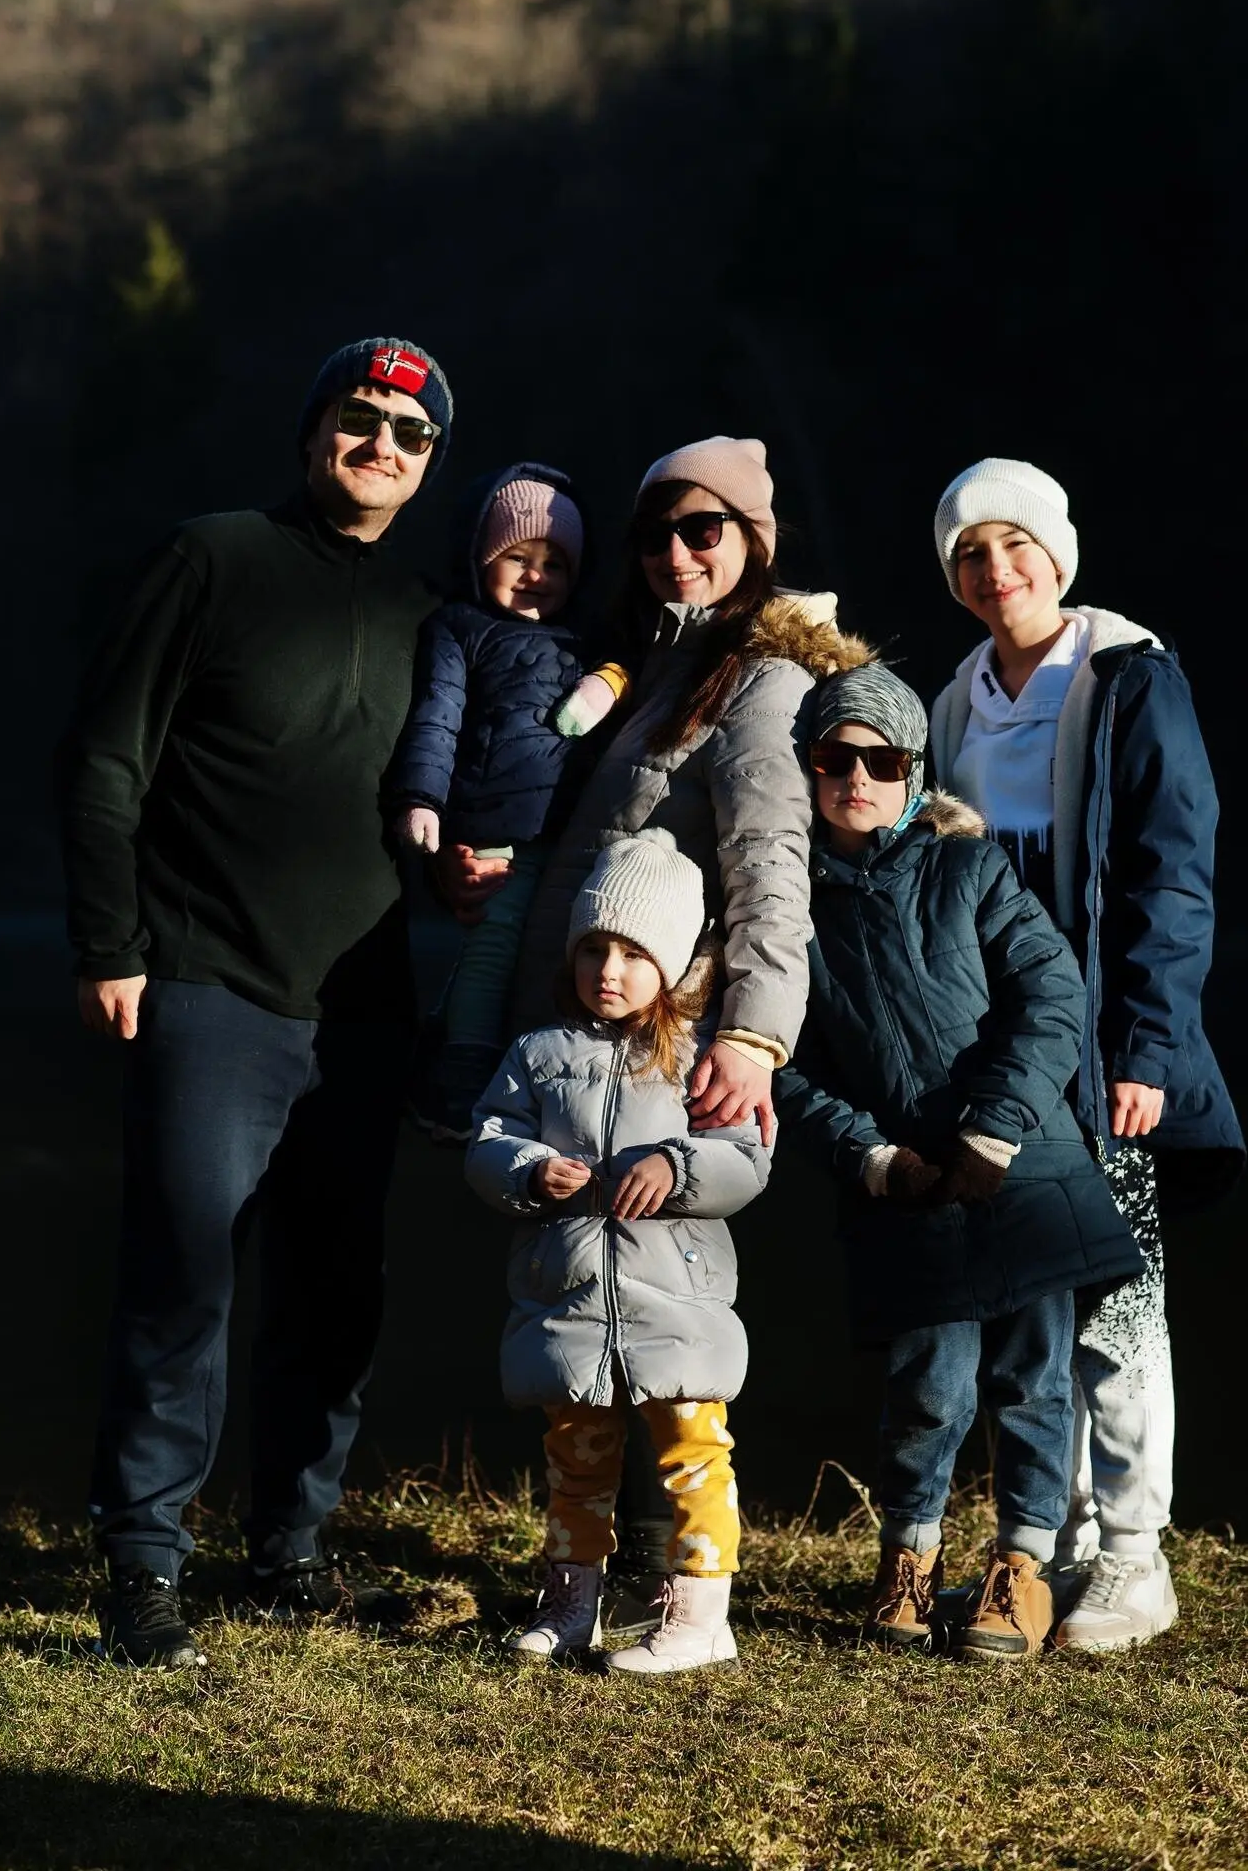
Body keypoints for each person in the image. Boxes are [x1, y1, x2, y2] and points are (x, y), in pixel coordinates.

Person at [57, 335, 452, 1668]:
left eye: (410, 434)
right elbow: (104, 757)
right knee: (182, 1274)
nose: (381, 445)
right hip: (206, 976)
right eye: (359, 418)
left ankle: (289, 1553)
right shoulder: (211, 558)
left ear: (428, 465)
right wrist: (109, 943)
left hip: (365, 1005)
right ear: (312, 429)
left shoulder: (428, 610)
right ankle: (142, 1564)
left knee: (337, 1288)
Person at [492, 434, 870, 1611]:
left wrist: (752, 1035)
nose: (675, 551)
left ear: (753, 540)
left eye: (702, 529)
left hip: (674, 1039)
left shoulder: (762, 680)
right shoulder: (656, 661)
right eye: (656, 530)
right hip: (589, 1029)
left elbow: (768, 864)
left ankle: (680, 1587)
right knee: (589, 1290)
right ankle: (598, 1577)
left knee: (666, 1301)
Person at [929, 457, 1244, 1652]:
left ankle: (1131, 1556)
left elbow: (1173, 870)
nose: (994, 570)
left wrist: (1146, 1048)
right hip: (1004, 1054)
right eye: (968, 553)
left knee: (1119, 1302)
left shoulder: (1126, 677)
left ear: (1055, 555)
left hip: (1104, 1049)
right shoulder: (954, 703)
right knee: (1029, 1307)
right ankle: (1048, 1544)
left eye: (1013, 544)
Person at [776, 666, 1144, 1661]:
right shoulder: (785, 905)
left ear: (912, 770)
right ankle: (907, 1560)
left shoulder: (968, 868)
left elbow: (1051, 994)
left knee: (1032, 1381)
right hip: (904, 1186)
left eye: (881, 759)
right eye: (834, 757)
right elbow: (782, 1066)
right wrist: (870, 1156)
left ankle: (1020, 1569)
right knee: (927, 1386)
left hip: (1022, 1168)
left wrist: (992, 1130)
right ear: (807, 766)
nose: (856, 777)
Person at [465, 830, 771, 1673]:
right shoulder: (537, 1055)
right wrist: (529, 1169)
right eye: (593, 948)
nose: (608, 970)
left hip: (676, 1304)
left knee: (692, 1453)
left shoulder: (703, 1055)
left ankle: (701, 1616)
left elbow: (745, 1157)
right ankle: (571, 1608)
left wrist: (675, 1165)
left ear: (670, 964)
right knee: (575, 1460)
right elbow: (488, 1141)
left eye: (634, 954)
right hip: (569, 1303)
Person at [386, 464, 626, 1141]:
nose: (536, 575)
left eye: (555, 562)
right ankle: (462, 1067)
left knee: (542, 954)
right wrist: (422, 800)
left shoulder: (586, 638)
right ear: (482, 558)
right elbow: (437, 718)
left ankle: (502, 1076)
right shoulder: (461, 628)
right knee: (492, 944)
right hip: (492, 824)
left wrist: (606, 682)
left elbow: (629, 672)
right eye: (519, 557)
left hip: (568, 831)